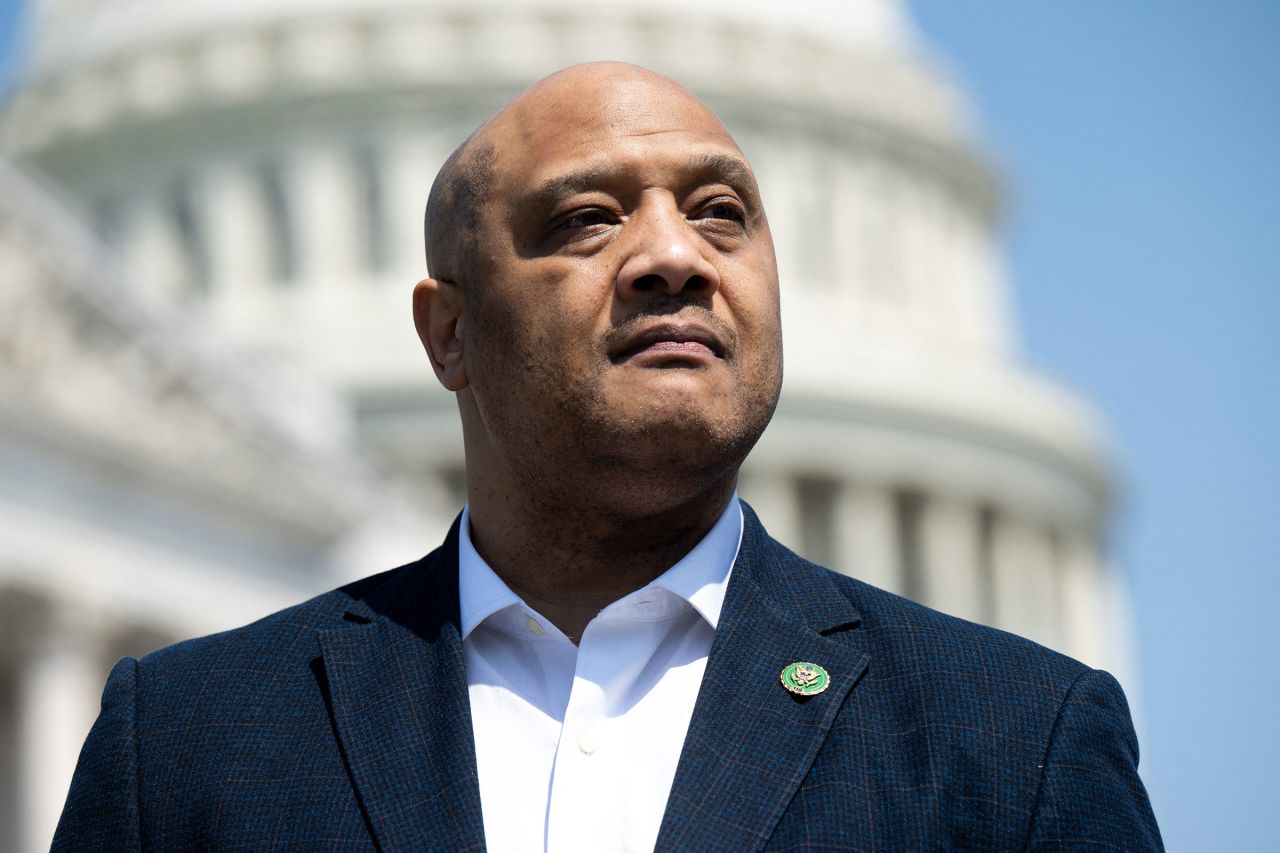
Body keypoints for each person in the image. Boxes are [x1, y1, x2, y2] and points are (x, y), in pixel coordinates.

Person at [53, 62, 1162, 851]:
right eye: (587, 218)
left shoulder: (1015, 742)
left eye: (721, 211)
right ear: (449, 332)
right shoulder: (193, 743)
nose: (673, 256)